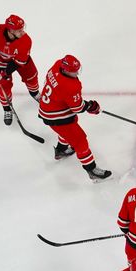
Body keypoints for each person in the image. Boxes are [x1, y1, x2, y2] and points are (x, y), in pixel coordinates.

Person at [37, 54, 111, 182]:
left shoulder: (57, 65)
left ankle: (62, 150)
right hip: (57, 116)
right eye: (73, 72)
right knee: (80, 140)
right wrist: (91, 106)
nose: (76, 73)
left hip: (49, 108)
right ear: (65, 70)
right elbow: (77, 107)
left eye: (77, 70)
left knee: (71, 125)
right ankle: (91, 170)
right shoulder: (70, 86)